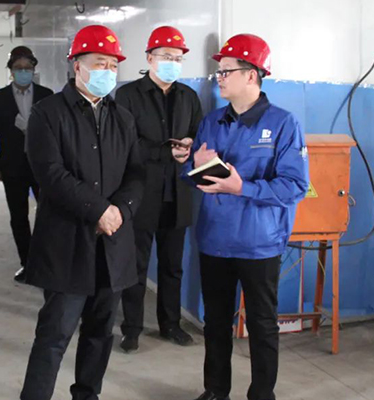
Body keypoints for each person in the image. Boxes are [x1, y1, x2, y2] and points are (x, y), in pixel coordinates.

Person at [19, 25, 145, 400]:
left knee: (100, 333)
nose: (108, 70)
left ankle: (87, 395)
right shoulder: (47, 114)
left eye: (113, 64)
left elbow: (137, 174)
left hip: (113, 245)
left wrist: (120, 210)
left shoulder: (123, 118)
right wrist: (99, 211)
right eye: (99, 63)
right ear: (77, 65)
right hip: (67, 244)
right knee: (54, 335)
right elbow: (50, 174)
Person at [182, 34, 309, 400]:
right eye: (218, 72)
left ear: (251, 74)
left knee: (262, 324)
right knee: (215, 322)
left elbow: (295, 186)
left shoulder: (283, 124)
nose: (219, 79)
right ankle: (215, 390)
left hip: (259, 244)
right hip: (215, 240)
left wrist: (243, 188)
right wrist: (189, 165)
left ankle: (262, 394)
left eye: (226, 71)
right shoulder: (211, 122)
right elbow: (195, 176)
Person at [115, 26, 202, 350]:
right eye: (166, 56)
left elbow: (199, 134)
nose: (172, 63)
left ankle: (170, 324)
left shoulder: (189, 97)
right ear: (150, 58)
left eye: (178, 58)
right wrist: (165, 153)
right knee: (136, 266)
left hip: (178, 193)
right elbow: (125, 143)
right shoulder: (127, 96)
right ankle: (132, 328)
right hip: (140, 192)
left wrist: (191, 144)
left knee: (172, 266)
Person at [0, 45, 53, 282]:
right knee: (18, 216)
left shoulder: (46, 95)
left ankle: (47, 262)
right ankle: (27, 264)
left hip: (42, 166)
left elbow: (55, 131)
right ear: (11, 70)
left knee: (48, 214)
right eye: (18, 68)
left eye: (27, 68)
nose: (23, 72)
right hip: (12, 166)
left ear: (34, 69)